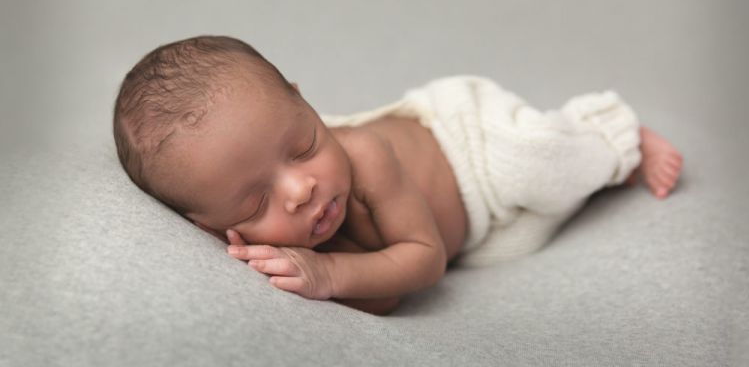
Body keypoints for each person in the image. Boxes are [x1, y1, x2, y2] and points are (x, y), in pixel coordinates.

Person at [113, 35, 683, 315]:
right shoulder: (246, 212)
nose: (300, 189)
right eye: (253, 204)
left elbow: (424, 259)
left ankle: (614, 138)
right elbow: (383, 298)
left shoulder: (362, 158)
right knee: (522, 233)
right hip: (468, 215)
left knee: (545, 164)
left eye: (306, 144)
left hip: (470, 141)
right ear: (210, 227)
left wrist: (331, 274)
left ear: (304, 104)